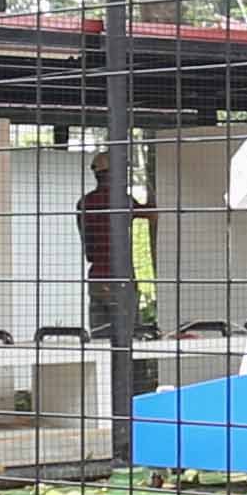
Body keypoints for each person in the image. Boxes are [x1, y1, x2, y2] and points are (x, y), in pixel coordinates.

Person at [71, 150, 138, 358]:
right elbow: (150, 214)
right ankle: (128, 377)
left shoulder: (84, 203)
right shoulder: (123, 201)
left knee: (100, 339)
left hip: (96, 276)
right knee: (129, 337)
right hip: (120, 277)